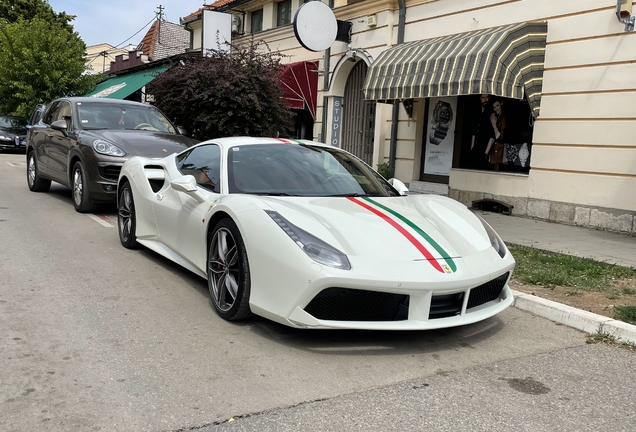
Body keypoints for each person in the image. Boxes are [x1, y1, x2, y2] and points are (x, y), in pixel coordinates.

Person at [470, 94, 495, 169]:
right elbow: (474, 132)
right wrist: (472, 148)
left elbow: (492, 136)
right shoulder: (477, 112)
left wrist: (486, 153)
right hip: (475, 148)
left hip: (484, 148)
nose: (485, 100)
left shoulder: (491, 114)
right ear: (480, 98)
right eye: (483, 98)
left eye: (487, 97)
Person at [489, 98, 507, 170]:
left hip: (500, 149)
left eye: (497, 105)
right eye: (494, 107)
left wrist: (494, 125)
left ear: (501, 105)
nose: (496, 108)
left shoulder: (503, 118)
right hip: (494, 148)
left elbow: (500, 137)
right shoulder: (497, 117)